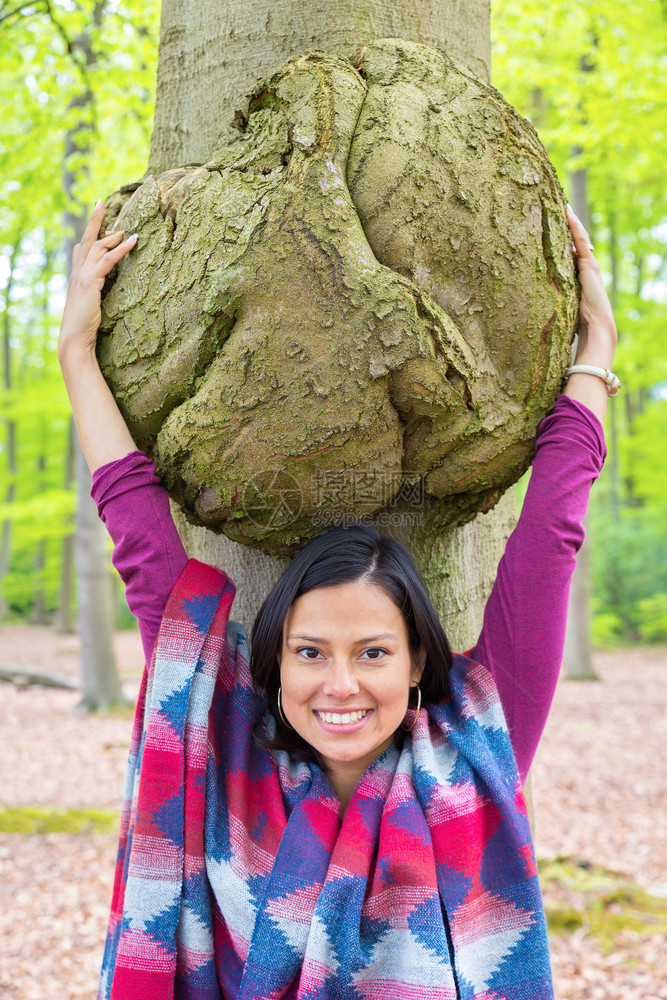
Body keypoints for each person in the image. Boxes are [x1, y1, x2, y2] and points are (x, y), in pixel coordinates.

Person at [59, 200, 617, 1000]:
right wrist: (76, 351)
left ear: (418, 662)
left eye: (374, 653)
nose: (341, 684)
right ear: (276, 663)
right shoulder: (219, 738)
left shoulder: (475, 748)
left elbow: (550, 538)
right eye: (310, 651)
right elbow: (143, 546)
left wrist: (595, 346)